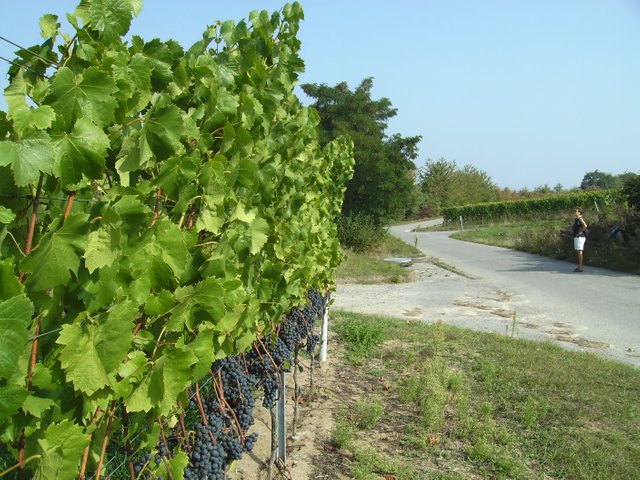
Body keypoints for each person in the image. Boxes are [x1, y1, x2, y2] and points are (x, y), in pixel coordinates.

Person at [572, 207, 588, 272]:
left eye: (576, 211)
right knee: (579, 252)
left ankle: (580, 267)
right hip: (577, 237)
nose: (575, 212)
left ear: (579, 212)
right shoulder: (577, 219)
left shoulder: (580, 219)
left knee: (580, 252)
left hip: (580, 237)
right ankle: (580, 266)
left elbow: (585, 225)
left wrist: (580, 231)